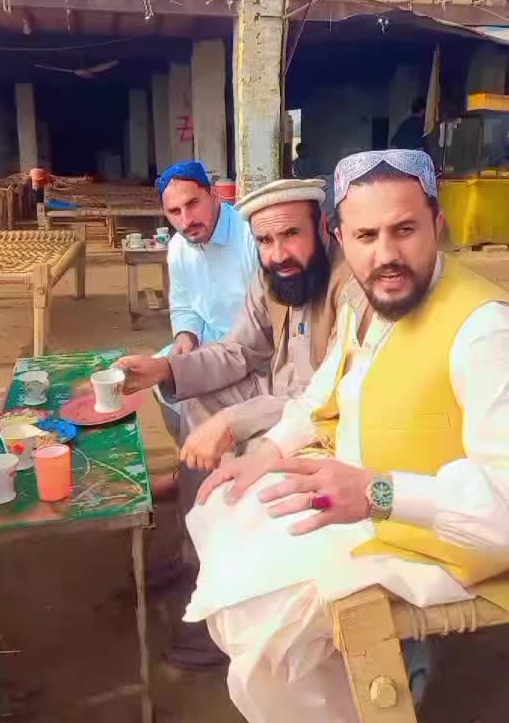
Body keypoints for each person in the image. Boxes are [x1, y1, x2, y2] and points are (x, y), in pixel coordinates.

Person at [186, 149, 509, 723]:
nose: (385, 255)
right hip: (363, 501)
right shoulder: (369, 304)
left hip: (437, 538)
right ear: (341, 239)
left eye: (404, 229)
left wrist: (378, 493)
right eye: (366, 236)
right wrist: (269, 452)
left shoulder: (483, 330)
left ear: (437, 224)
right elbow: (320, 393)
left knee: (260, 620)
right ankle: (357, 708)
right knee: (229, 513)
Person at [116, 178, 358, 669]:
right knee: (195, 405)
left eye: (291, 234)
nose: (278, 253)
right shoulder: (273, 279)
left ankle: (231, 614)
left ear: (323, 229)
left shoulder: (347, 289)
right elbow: (239, 350)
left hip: (327, 420)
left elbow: (323, 398)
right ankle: (198, 558)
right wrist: (165, 368)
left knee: (237, 452)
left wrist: (234, 420)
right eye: (266, 240)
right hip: (277, 395)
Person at [152, 161, 258, 440]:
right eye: (175, 211)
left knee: (197, 397)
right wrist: (186, 336)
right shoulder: (178, 247)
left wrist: (211, 356)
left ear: (213, 195)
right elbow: (184, 305)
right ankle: (188, 450)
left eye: (193, 204)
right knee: (157, 374)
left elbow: (269, 321)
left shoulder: (250, 236)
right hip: (208, 341)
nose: (186, 220)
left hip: (252, 350)